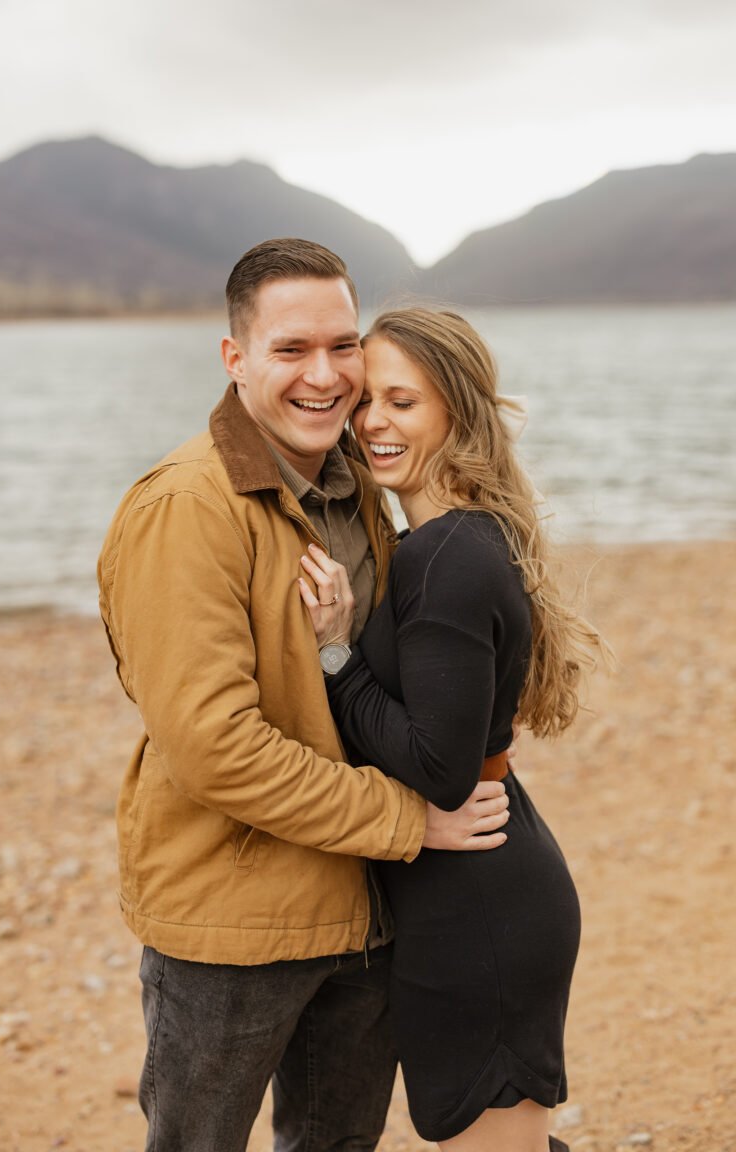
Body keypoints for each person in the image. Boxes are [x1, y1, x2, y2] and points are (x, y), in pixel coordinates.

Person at [97, 240, 512, 1152]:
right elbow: (216, 748)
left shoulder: (357, 483)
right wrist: (411, 821)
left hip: (361, 910)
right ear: (235, 357)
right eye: (291, 350)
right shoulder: (187, 510)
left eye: (341, 345)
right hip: (232, 925)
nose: (323, 376)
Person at [298, 307, 608, 1152]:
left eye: (403, 402)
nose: (372, 423)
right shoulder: (457, 538)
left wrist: (336, 656)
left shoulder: (443, 556)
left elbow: (439, 769)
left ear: (457, 414)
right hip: (481, 887)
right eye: (369, 401)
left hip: (480, 908)